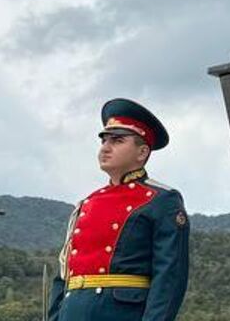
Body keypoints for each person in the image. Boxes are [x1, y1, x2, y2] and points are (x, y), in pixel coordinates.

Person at [49, 98, 190, 321]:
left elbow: (170, 276)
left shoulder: (161, 200)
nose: (105, 148)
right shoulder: (86, 203)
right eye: (104, 140)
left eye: (117, 140)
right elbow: (63, 275)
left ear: (142, 152)